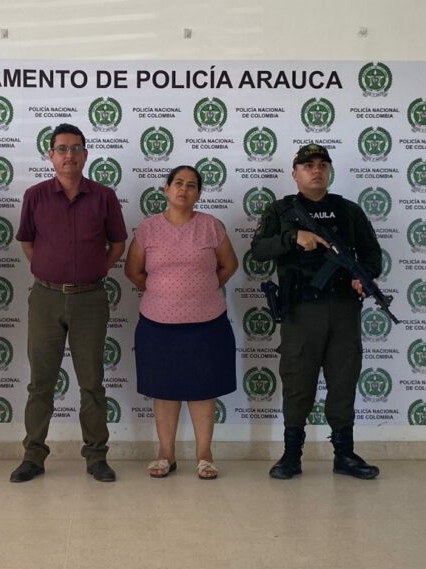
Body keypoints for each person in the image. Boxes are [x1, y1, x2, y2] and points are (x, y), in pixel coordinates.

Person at [250, 143, 381, 480]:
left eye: (323, 164)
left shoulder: (348, 211)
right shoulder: (280, 211)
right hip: (301, 312)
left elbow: (372, 256)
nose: (316, 170)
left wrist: (362, 278)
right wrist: (294, 236)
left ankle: (345, 454)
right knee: (297, 383)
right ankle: (291, 455)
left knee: (343, 380)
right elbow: (259, 250)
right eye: (307, 165)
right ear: (294, 173)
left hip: (342, 310)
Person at [11, 123, 127, 483]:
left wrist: (94, 272)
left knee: (91, 382)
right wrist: (49, 271)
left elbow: (118, 244)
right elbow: (27, 242)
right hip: (45, 298)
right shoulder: (35, 195)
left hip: (90, 299)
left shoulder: (104, 196)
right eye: (61, 149)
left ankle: (96, 456)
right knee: (40, 383)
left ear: (85, 154)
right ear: (51, 155)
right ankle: (33, 455)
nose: (69, 155)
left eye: (76, 148)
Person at [124, 165, 238, 480]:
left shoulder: (211, 227)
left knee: (203, 390)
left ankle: (204, 455)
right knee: (164, 390)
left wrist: (202, 288)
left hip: (207, 322)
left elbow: (229, 264)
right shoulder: (147, 229)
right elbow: (133, 271)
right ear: (166, 189)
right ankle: (166, 454)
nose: (183, 189)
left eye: (191, 185)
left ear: (198, 193)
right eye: (177, 183)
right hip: (157, 323)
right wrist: (162, 292)